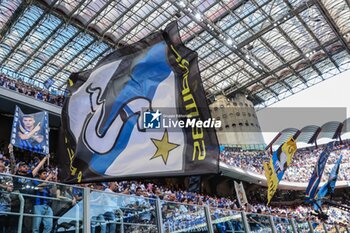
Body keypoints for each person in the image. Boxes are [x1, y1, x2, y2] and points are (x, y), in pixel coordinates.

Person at [32, 169, 54, 233]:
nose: (46, 175)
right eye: (44, 173)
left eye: (46, 174)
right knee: (36, 226)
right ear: (39, 174)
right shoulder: (36, 180)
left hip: (47, 206)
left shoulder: (47, 183)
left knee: (49, 226)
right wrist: (48, 179)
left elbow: (52, 193)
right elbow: (39, 187)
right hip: (38, 205)